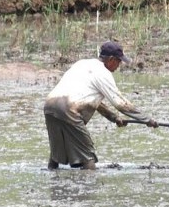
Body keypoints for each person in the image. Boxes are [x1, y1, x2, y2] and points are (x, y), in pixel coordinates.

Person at [43, 41, 157, 170]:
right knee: (88, 158)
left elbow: (89, 100)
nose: (118, 66)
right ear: (111, 60)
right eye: (118, 62)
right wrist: (147, 119)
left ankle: (53, 182)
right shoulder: (103, 73)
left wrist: (113, 117)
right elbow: (121, 104)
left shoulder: (82, 64)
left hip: (50, 106)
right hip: (68, 110)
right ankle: (88, 184)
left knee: (56, 153)